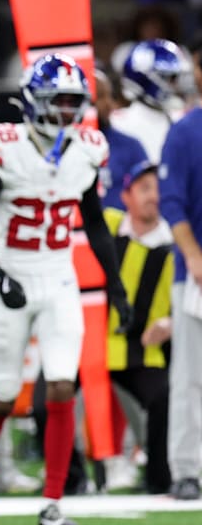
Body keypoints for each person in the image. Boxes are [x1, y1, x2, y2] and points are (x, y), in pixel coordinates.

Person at [0, 54, 133, 525]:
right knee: (1, 395)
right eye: (57, 100)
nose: (65, 111)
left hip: (58, 278)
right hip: (12, 272)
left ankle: (53, 502)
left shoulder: (87, 149)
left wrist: (115, 287)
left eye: (73, 101)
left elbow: (94, 224)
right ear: (33, 100)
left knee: (60, 385)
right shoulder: (6, 146)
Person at [103, 161, 173, 495]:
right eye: (145, 188)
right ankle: (72, 479)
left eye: (157, 188)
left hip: (143, 350)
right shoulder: (107, 226)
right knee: (49, 400)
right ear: (126, 195)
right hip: (90, 345)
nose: (154, 196)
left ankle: (160, 480)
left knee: (164, 396)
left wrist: (170, 323)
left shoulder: (174, 240)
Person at [160, 83, 202, 501]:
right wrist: (192, 254)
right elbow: (171, 202)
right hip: (196, 273)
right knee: (190, 374)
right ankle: (187, 469)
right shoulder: (186, 131)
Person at [113, 38, 193, 161]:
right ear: (147, 78)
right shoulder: (119, 124)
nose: (176, 85)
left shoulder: (181, 120)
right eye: (171, 78)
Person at [94, 69, 148, 210]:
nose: (108, 104)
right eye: (100, 97)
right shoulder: (66, 148)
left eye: (110, 96)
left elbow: (148, 190)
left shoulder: (130, 146)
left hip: (124, 230)